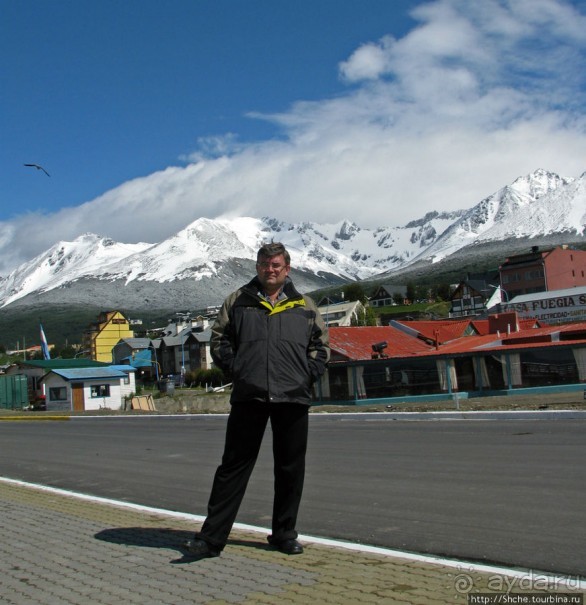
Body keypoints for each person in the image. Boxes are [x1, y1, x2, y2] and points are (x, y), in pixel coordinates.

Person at [183, 242, 330, 558]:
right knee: (233, 467)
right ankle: (211, 539)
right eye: (265, 264)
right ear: (257, 267)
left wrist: (307, 375)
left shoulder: (304, 305)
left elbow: (321, 346)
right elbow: (219, 342)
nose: (270, 269)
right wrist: (239, 371)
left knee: (290, 469)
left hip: (292, 398)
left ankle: (284, 535)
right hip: (249, 396)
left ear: (287, 269)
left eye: (276, 264)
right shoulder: (237, 302)